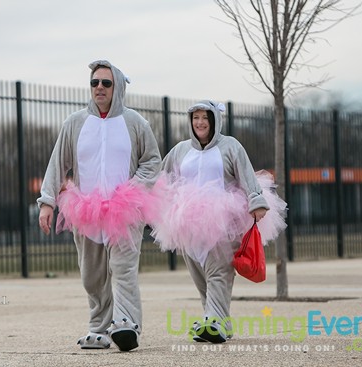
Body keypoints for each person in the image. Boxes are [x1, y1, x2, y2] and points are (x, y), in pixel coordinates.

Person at [37, 60, 161, 352]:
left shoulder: (135, 123)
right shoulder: (75, 123)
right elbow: (58, 164)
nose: (100, 88)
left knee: (123, 269)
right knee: (91, 274)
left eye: (106, 83)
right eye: (95, 83)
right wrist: (47, 202)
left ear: (117, 86)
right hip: (86, 210)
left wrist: (133, 189)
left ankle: (127, 324)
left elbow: (152, 161)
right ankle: (99, 328)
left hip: (125, 210)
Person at [150, 100, 287, 343]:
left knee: (219, 273)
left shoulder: (230, 145)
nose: (200, 122)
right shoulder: (181, 150)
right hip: (186, 224)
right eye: (196, 118)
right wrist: (145, 192)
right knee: (200, 275)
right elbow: (162, 175)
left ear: (214, 120)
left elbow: (246, 174)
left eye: (205, 117)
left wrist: (256, 201)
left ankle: (214, 323)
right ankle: (216, 320)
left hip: (224, 220)